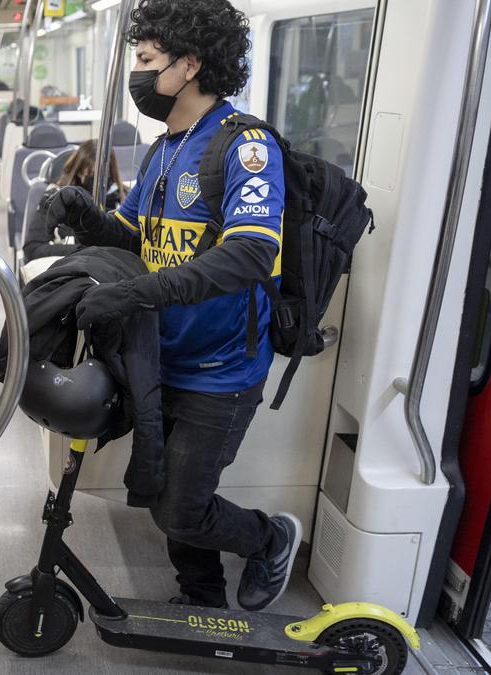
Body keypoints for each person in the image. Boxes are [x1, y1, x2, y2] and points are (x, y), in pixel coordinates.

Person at [41, 0, 301, 613]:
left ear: (189, 64)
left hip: (222, 369)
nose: (139, 74)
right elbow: (137, 238)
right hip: (162, 356)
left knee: (180, 505)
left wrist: (135, 294)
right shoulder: (164, 151)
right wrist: (86, 214)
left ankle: (270, 539)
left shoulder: (246, 147)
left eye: (147, 60)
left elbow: (250, 255)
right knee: (169, 492)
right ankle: (203, 597)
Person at [23, 139, 124, 264]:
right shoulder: (56, 198)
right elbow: (33, 248)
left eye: (103, 176)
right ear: (78, 172)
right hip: (69, 268)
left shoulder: (124, 201)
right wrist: (83, 251)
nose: (96, 183)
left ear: (111, 173)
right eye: (90, 175)